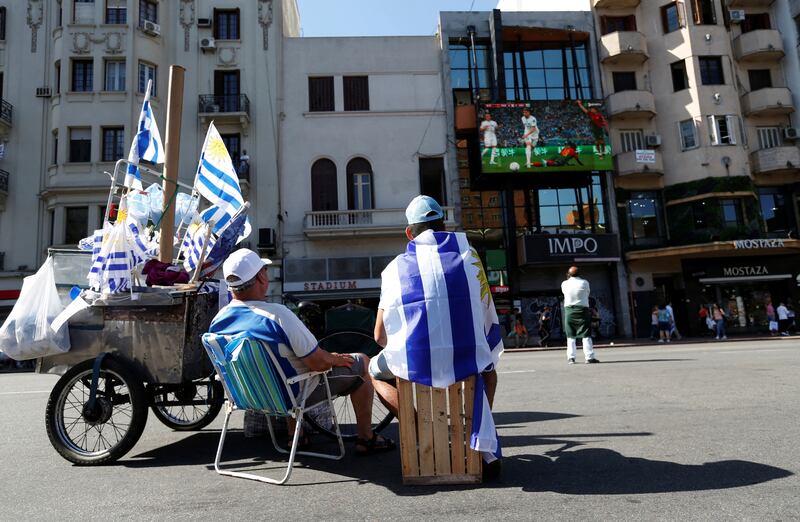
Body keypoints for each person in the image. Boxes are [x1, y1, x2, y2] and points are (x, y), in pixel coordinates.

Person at [208, 248, 395, 455]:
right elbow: (318, 363)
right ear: (261, 277)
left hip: (250, 396)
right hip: (288, 396)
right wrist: (334, 358)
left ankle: (295, 436)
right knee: (361, 362)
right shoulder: (276, 315)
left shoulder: (219, 321)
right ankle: (366, 438)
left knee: (285, 364)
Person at [371, 196, 504, 475]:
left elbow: (380, 335)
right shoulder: (470, 256)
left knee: (372, 371)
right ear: (444, 226)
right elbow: (486, 312)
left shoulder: (394, 269)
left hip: (416, 365)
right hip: (467, 359)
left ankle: (418, 429)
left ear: (410, 232)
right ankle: (476, 438)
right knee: (489, 370)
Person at [561, 266, 599, 364]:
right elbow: (587, 293)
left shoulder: (564, 284)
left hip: (569, 311)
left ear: (568, 274)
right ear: (579, 274)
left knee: (570, 335)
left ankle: (571, 358)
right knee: (586, 334)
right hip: (582, 310)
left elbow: (564, 292)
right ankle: (589, 357)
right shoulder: (585, 282)